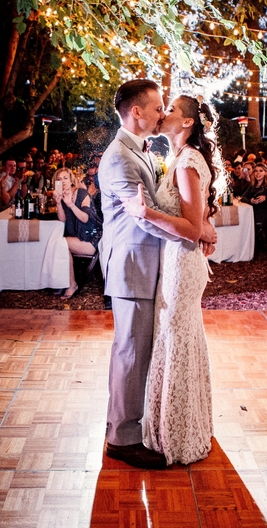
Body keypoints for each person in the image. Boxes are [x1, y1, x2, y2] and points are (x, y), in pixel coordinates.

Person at [98, 80, 215, 470]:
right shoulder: (120, 157)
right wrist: (196, 230)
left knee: (144, 351)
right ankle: (122, 437)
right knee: (131, 353)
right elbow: (145, 219)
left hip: (154, 266)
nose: (162, 113)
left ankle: (155, 423)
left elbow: (177, 207)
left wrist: (200, 224)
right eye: (157, 107)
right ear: (137, 112)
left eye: (167, 108)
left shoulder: (143, 151)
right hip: (133, 267)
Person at [53, 167, 101, 299]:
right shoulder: (63, 196)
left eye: (65, 178)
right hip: (79, 238)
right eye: (59, 179)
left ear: (71, 180)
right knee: (57, 243)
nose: (63, 181)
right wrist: (59, 203)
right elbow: (62, 219)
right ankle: (63, 282)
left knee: (61, 243)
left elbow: (85, 218)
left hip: (92, 239)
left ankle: (72, 284)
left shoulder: (81, 193)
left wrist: (71, 205)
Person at [239, 163, 267, 228]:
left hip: (263, 214)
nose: (258, 173)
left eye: (261, 171)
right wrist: (250, 201)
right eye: (256, 171)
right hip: (252, 212)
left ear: (265, 173)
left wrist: (266, 198)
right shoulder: (253, 185)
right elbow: (243, 197)